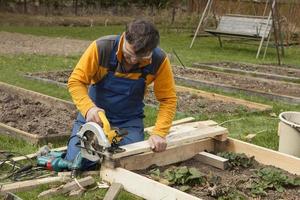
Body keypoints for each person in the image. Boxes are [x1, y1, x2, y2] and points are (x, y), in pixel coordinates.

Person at [65, 19, 177, 169]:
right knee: (78, 161)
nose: (132, 61)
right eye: (128, 54)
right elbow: (76, 81)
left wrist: (159, 133)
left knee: (128, 160)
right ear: (124, 37)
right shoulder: (102, 47)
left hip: (128, 122)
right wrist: (89, 109)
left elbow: (168, 99)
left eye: (140, 59)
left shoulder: (159, 60)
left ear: (151, 50)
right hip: (95, 119)